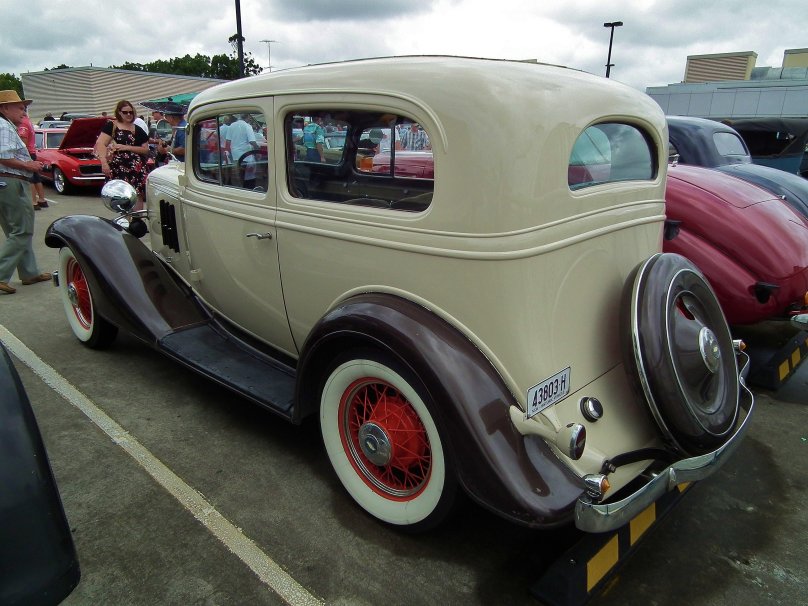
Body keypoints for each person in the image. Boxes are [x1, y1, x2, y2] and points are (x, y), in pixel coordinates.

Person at [0, 90, 50, 295]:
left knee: (16, 230)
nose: (24, 111)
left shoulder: (5, 125)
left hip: (6, 181)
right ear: (5, 108)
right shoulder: (3, 126)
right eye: (20, 107)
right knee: (22, 230)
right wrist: (29, 165)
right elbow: (3, 156)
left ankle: (29, 272)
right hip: (11, 180)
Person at [94, 99, 149, 210]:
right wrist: (104, 163)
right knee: (121, 196)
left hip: (137, 170)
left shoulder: (138, 129)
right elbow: (100, 144)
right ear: (119, 112)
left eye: (131, 112)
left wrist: (126, 147)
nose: (128, 114)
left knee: (137, 194)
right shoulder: (112, 126)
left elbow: (145, 150)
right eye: (125, 112)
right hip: (118, 168)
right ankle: (125, 219)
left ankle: (137, 219)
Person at [15, 111, 47, 209]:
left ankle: (33, 202)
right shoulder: (28, 121)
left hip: (27, 152)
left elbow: (23, 141)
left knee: (30, 179)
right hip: (32, 152)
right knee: (36, 178)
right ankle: (42, 199)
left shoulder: (23, 123)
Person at [225, 113, 259, 188]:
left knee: (240, 175)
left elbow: (228, 141)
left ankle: (242, 188)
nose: (250, 119)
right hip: (246, 155)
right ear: (248, 117)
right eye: (250, 117)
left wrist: (229, 153)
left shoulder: (232, 125)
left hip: (235, 155)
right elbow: (252, 141)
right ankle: (247, 188)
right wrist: (257, 149)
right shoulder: (247, 126)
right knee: (249, 175)